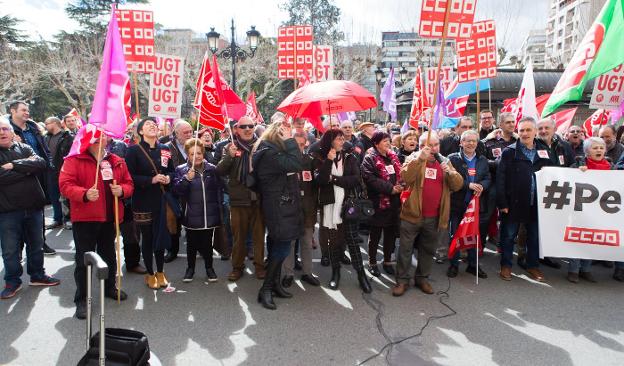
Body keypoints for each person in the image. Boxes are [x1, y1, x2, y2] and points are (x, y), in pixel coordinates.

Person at [59, 126, 133, 318]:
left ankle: (110, 287)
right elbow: (65, 185)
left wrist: (123, 191)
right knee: (84, 261)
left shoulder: (116, 161)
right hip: (85, 218)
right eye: (98, 138)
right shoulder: (73, 160)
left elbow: (128, 183)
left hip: (110, 216)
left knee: (109, 255)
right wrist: (83, 194)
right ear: (88, 141)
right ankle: (82, 299)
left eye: (104, 138)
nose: (103, 141)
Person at [393, 131, 463, 296]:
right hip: (411, 214)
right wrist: (420, 159)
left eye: (436, 145)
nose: (433, 148)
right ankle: (402, 281)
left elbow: (458, 185)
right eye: (429, 145)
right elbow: (405, 177)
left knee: (428, 249)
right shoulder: (413, 158)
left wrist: (451, 173)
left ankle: (422, 278)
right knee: (405, 250)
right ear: (421, 146)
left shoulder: (445, 161)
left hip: (434, 217)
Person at [0, 117, 60, 299]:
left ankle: (37, 275)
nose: (2, 132)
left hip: (33, 208)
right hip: (8, 211)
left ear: (12, 132)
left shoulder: (24, 148)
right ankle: (12, 281)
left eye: (5, 129)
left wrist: (14, 166)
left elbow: (40, 163)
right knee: (10, 250)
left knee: (37, 245)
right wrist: (26, 170)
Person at [252, 119, 304, 310]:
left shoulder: (271, 151)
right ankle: (265, 289)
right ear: (278, 134)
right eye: (286, 132)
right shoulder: (269, 153)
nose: (289, 135)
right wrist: (291, 141)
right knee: (282, 246)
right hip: (278, 206)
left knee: (277, 243)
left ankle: (273, 284)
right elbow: (297, 163)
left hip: (282, 204)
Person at [314, 129, 372, 293]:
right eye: (339, 139)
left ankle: (361, 275)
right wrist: (328, 162)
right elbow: (320, 181)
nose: (342, 141)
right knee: (334, 243)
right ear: (330, 141)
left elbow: (355, 179)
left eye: (342, 138)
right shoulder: (320, 157)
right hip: (330, 205)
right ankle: (335, 273)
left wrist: (335, 179)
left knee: (353, 241)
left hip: (348, 205)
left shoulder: (350, 157)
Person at [497, 117, 553, 282]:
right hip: (513, 202)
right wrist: (502, 203)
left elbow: (556, 171)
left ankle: (532, 266)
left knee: (534, 236)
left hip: (537, 203)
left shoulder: (544, 151)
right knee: (508, 236)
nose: (525, 133)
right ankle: (506, 265)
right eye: (521, 130)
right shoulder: (509, 152)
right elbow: (500, 179)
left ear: (535, 131)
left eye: (529, 130)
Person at [125, 117, 176, 289]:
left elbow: (172, 171)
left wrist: (169, 177)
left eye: (154, 124)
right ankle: (149, 273)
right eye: (147, 124)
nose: (152, 126)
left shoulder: (165, 148)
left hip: (161, 200)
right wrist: (151, 179)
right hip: (143, 201)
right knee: (147, 238)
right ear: (140, 131)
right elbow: (129, 177)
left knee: (160, 236)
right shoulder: (133, 151)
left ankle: (160, 271)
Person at [216, 117, 266, 281]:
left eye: (251, 126)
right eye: (243, 126)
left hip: (259, 199)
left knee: (259, 237)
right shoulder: (230, 147)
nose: (247, 129)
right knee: (239, 237)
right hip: (238, 200)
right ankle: (237, 267)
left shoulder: (262, 146)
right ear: (236, 129)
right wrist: (229, 156)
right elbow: (220, 171)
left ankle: (259, 266)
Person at [7, 101, 56, 255]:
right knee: (18, 213)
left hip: (39, 172)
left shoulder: (33, 127)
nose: (27, 113)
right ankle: (19, 246)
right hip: (17, 175)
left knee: (38, 210)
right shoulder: (6, 129)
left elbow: (43, 148)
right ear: (13, 111)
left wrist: (49, 163)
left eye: (27, 110)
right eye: (23, 110)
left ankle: (41, 243)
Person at [173, 138, 223, 283]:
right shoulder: (181, 170)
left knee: (208, 243)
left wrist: (219, 210)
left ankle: (209, 268)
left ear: (203, 153)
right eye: (192, 154)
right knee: (192, 244)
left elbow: (218, 190)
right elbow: (177, 191)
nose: (197, 156)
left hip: (209, 215)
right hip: (192, 215)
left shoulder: (212, 169)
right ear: (188, 155)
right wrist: (186, 179)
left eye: (199, 153)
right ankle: (190, 269)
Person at [565, 137, 612, 283]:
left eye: (601, 148)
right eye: (595, 148)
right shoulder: (579, 164)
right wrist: (578, 171)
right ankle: (573, 270)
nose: (598, 150)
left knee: (592, 239)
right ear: (587, 151)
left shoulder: (611, 167)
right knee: (578, 238)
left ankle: (586, 269)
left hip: (599, 210)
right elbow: (568, 178)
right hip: (580, 209)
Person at [447, 130, 491, 278]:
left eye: (474, 141)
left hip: (474, 205)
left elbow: (487, 177)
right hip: (457, 204)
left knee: (473, 235)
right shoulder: (452, 159)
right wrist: (468, 185)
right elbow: (450, 180)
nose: (471, 143)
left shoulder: (483, 160)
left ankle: (473, 265)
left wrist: (482, 186)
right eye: (467, 141)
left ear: (477, 143)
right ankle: (454, 265)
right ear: (461, 142)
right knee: (455, 235)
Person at [361, 131, 403, 277]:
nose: (388, 143)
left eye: (388, 140)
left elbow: (400, 174)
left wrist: (400, 186)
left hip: (394, 203)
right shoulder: (369, 158)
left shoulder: (392, 156)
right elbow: (370, 179)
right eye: (384, 141)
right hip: (378, 203)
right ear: (376, 143)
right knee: (375, 235)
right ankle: (372, 263)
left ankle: (387, 262)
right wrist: (390, 189)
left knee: (390, 235)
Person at [282, 130, 321, 287]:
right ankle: (288, 273)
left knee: (306, 242)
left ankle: (307, 272)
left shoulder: (310, 161)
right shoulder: (283, 161)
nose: (299, 147)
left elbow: (318, 183)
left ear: (306, 144)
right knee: (290, 243)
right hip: (290, 208)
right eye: (295, 144)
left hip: (307, 208)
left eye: (301, 144)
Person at [106, 135, 146, 275]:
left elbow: (127, 174)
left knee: (131, 234)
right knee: (107, 237)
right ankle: (107, 267)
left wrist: (123, 190)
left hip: (124, 200)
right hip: (104, 202)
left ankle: (133, 263)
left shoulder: (121, 146)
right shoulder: (88, 150)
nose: (103, 135)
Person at [163, 120, 194, 263]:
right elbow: (164, 169)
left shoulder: (196, 145)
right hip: (173, 191)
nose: (189, 134)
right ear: (176, 133)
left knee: (193, 219)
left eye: (190, 131)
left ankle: (196, 247)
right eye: (185, 132)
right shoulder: (167, 148)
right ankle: (172, 250)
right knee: (172, 221)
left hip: (193, 190)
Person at [44, 116, 74, 229]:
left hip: (64, 171)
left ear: (55, 123)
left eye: (47, 123)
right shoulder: (46, 138)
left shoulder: (67, 137)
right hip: (50, 172)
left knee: (66, 196)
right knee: (54, 196)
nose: (46, 126)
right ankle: (57, 219)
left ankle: (68, 218)